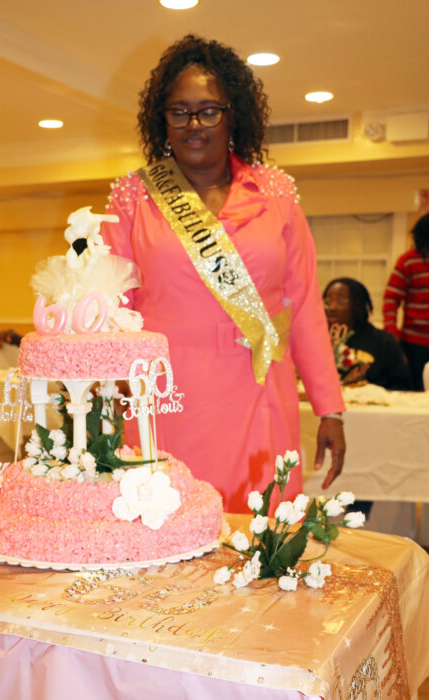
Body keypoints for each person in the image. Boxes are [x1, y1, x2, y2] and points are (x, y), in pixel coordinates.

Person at [98, 35, 345, 512]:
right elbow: (112, 316)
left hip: (260, 395)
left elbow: (306, 304)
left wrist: (329, 408)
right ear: (161, 119)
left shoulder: (276, 194)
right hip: (166, 400)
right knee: (170, 537)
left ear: (234, 116)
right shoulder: (133, 199)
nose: (194, 125)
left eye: (209, 110)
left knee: (258, 542)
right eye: (179, 111)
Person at [323, 277, 411, 390]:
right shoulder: (316, 341)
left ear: (357, 305)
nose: (332, 307)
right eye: (327, 302)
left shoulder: (383, 341)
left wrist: (365, 386)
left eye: (341, 302)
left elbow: (403, 387)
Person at [383, 211, 429, 391]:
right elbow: (391, 300)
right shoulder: (408, 261)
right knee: (416, 391)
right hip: (414, 343)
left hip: (414, 341)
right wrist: (392, 334)